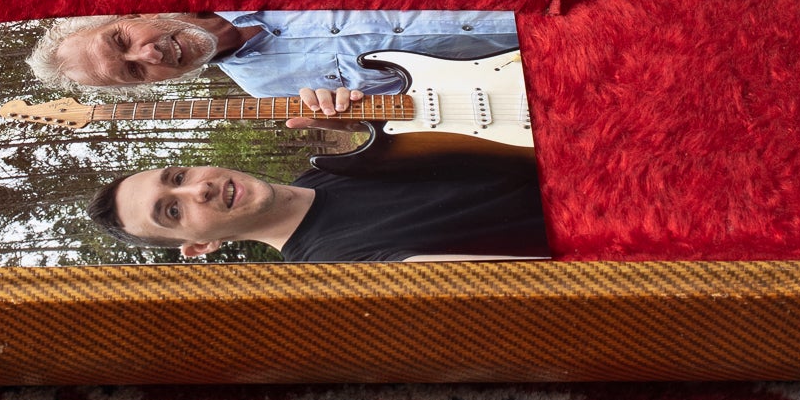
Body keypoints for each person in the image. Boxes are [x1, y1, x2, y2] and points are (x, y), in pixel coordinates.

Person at [26, 10, 520, 116]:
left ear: (132, 14)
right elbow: (429, 103)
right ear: (153, 85)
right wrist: (358, 112)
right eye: (134, 70)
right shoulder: (269, 92)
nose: (149, 53)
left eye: (122, 39)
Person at [84, 155, 550, 264]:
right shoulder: (338, 269)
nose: (198, 189)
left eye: (178, 177)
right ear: (201, 246)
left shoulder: (333, 166)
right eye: (173, 212)